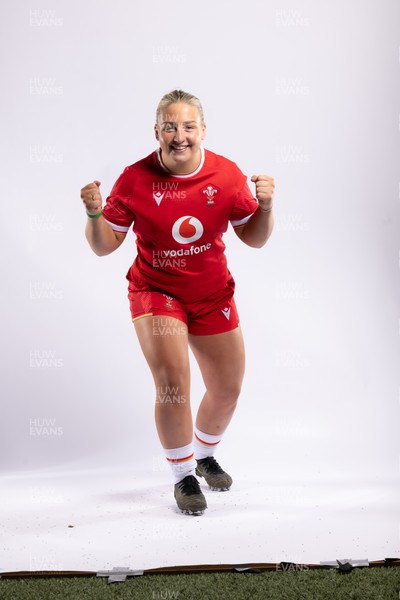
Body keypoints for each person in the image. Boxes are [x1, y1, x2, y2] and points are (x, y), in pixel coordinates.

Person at [80, 89, 275, 516]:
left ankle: (203, 455)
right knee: (173, 382)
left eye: (188, 126)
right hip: (156, 291)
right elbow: (103, 247)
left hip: (211, 293)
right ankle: (182, 475)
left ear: (203, 131)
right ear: (157, 132)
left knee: (227, 389)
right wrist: (95, 216)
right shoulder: (134, 179)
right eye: (170, 126)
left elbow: (255, 238)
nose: (179, 135)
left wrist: (265, 206)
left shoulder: (226, 176)